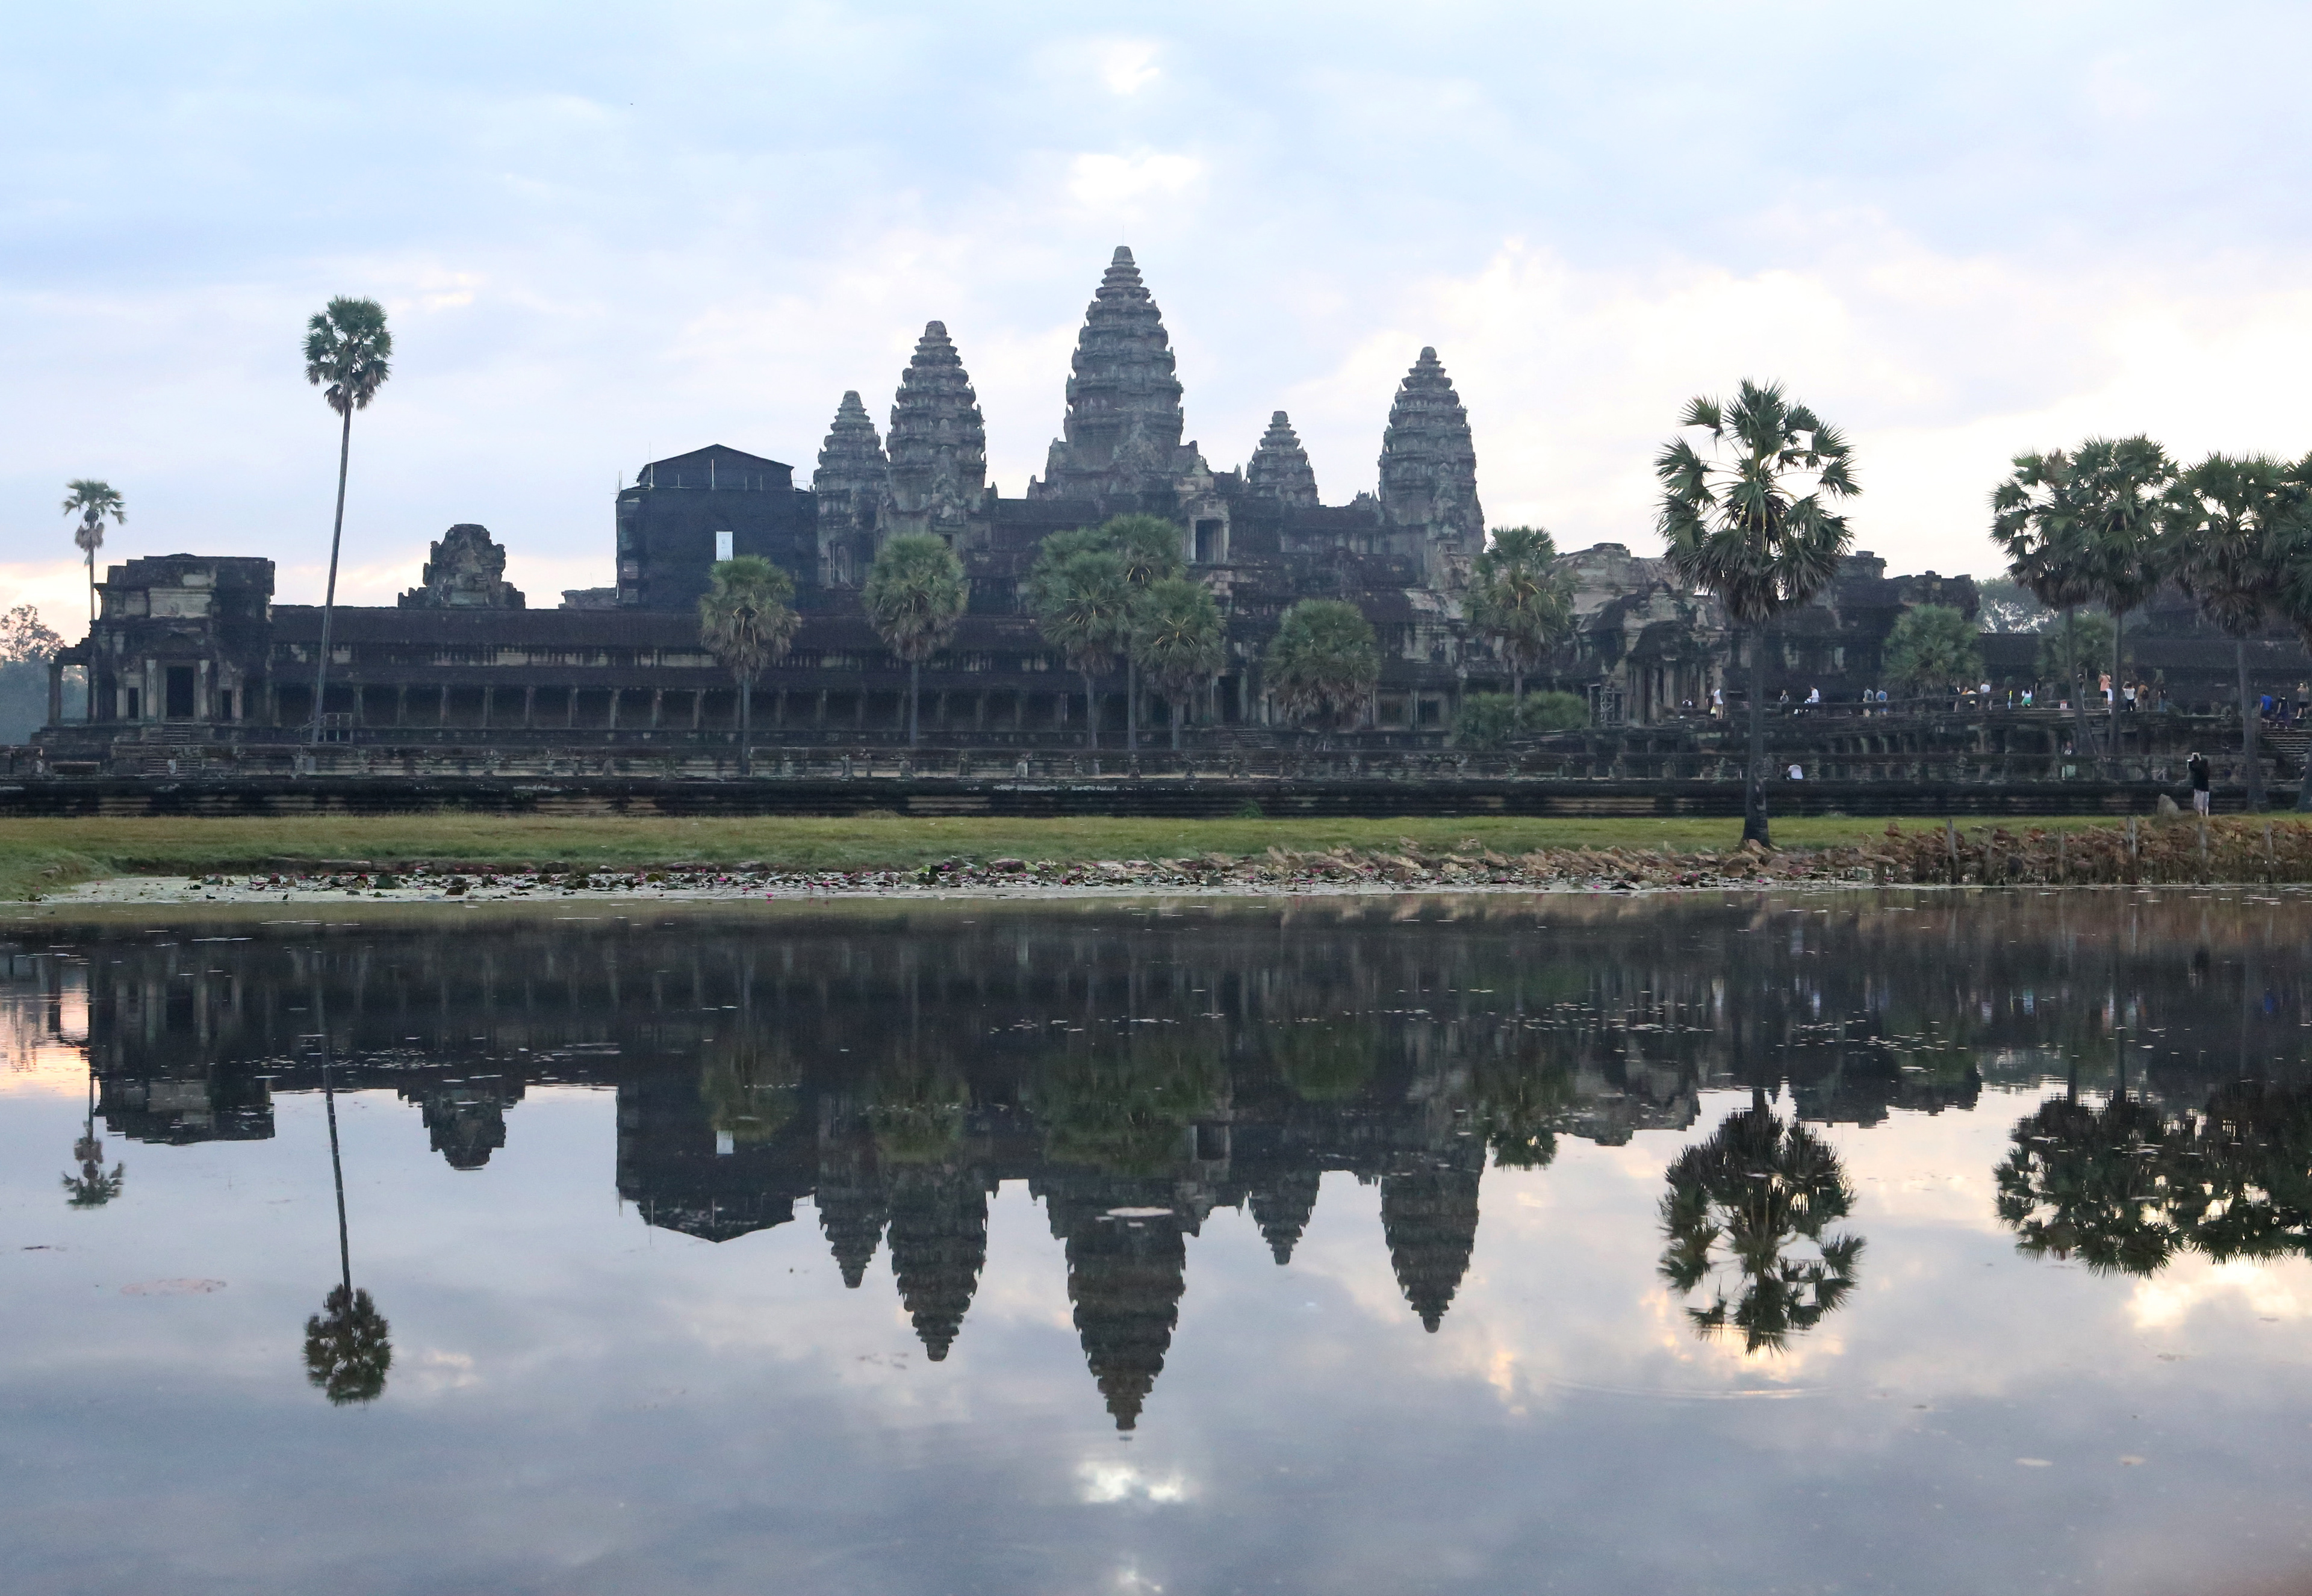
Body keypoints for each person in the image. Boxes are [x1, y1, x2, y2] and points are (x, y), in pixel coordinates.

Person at [2188, 750, 2212, 816]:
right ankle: (2206, 816)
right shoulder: (2208, 769)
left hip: (2199, 788)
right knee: (2206, 804)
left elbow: (2191, 768)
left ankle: (2201, 816)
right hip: (2206, 788)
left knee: (2199, 804)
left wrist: (2192, 759)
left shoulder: (2199, 769)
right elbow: (2202, 764)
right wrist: (2199, 758)